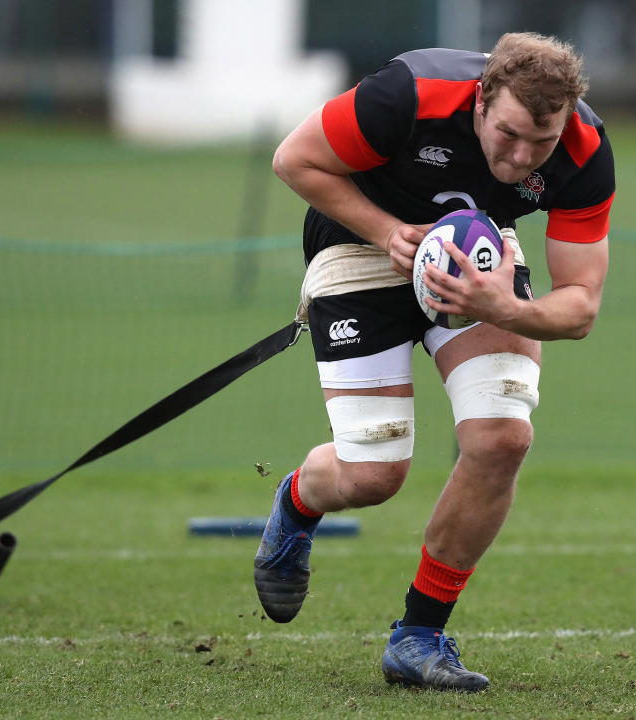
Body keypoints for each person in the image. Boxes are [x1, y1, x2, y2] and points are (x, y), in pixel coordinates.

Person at [254, 31, 615, 692]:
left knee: (503, 436)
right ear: (480, 101)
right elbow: (294, 160)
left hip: (478, 257)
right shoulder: (408, 95)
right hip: (360, 246)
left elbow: (581, 305)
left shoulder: (585, 148)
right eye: (507, 133)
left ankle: (418, 636)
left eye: (542, 143)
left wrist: (505, 309)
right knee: (373, 475)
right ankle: (299, 501)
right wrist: (389, 233)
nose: (521, 157)